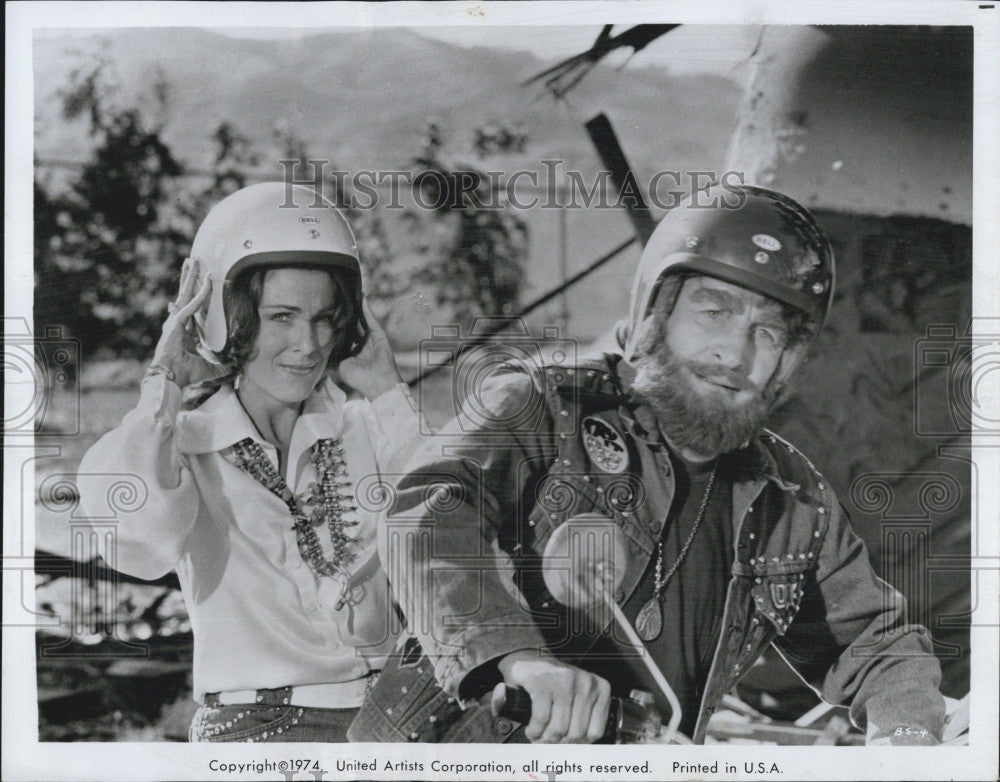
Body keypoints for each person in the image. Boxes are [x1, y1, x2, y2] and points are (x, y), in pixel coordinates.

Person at [351, 184, 946, 745]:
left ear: (789, 362)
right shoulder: (543, 408)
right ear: (655, 312)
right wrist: (519, 658)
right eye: (714, 312)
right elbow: (425, 509)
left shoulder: (790, 498)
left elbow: (878, 643)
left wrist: (907, 742)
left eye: (767, 333)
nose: (734, 354)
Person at [78, 182, 422, 742]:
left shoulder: (368, 426)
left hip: (393, 714)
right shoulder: (180, 442)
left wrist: (386, 388)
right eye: (281, 316)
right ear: (227, 316)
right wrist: (162, 385)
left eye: (325, 317)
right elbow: (135, 544)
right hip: (253, 729)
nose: (308, 345)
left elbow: (452, 526)